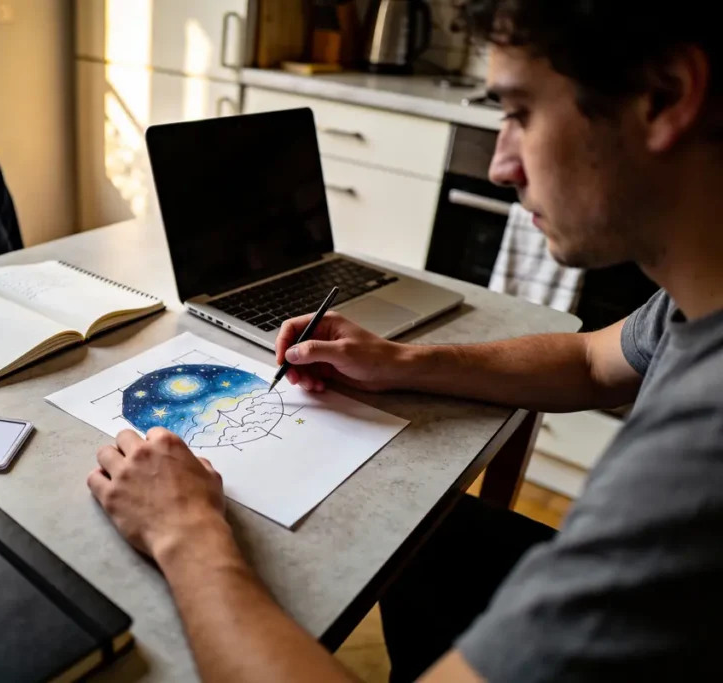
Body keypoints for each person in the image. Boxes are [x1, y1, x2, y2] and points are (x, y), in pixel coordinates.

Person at [85, 1, 723, 680]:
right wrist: (399, 361)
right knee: (424, 539)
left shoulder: (695, 464)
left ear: (665, 96)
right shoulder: (697, 295)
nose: (501, 165)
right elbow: (593, 360)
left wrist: (184, 532)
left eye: (520, 113)